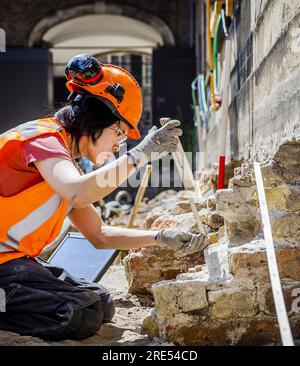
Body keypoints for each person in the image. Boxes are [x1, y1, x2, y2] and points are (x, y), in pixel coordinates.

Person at [0, 54, 209, 341]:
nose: (118, 144)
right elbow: (78, 191)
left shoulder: (64, 164)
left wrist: (160, 237)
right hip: (4, 264)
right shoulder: (42, 140)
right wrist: (142, 153)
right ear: (96, 117)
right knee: (78, 312)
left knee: (100, 301)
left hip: (12, 261)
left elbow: (99, 235)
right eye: (120, 133)